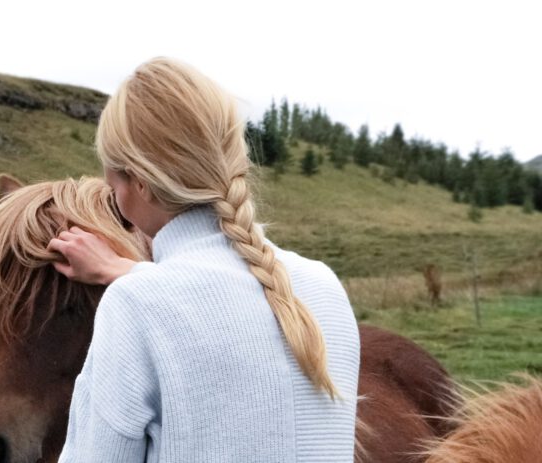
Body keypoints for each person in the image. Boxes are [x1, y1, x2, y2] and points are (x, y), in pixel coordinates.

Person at [47, 58, 360, 462]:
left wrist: (133, 282)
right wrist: (129, 272)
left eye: (113, 183)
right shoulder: (324, 287)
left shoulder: (135, 306)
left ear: (139, 183)